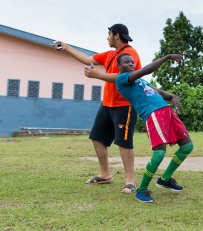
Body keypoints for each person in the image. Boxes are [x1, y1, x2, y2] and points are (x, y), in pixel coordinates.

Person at [85, 52, 193, 203]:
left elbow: (156, 91)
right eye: (126, 62)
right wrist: (167, 57)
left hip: (166, 112)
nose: (131, 64)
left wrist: (172, 96)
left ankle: (165, 179)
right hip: (153, 114)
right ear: (119, 66)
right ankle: (142, 189)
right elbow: (147, 69)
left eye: (132, 62)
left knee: (187, 146)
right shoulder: (122, 79)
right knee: (159, 154)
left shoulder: (140, 81)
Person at [52, 24, 141, 193]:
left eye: (108, 34)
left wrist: (97, 75)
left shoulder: (131, 53)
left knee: (124, 142)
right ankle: (105, 174)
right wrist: (66, 47)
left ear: (116, 35)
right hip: (107, 103)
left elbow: (127, 76)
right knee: (97, 137)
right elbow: (87, 59)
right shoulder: (109, 55)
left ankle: (130, 181)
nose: (107, 38)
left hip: (124, 104)